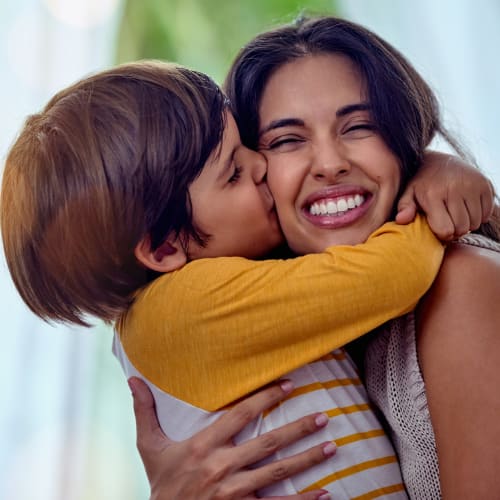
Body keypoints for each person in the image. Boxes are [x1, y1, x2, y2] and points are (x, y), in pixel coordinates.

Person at [0, 54, 493, 498]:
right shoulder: (183, 310)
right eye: (235, 171)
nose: (261, 167)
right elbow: (393, 275)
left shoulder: (230, 287)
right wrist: (431, 187)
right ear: (165, 247)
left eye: (359, 126)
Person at [133, 15, 500, 499]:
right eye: (287, 140)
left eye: (361, 127)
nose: (330, 164)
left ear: (401, 136)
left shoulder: (461, 282)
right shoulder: (285, 325)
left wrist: (437, 172)